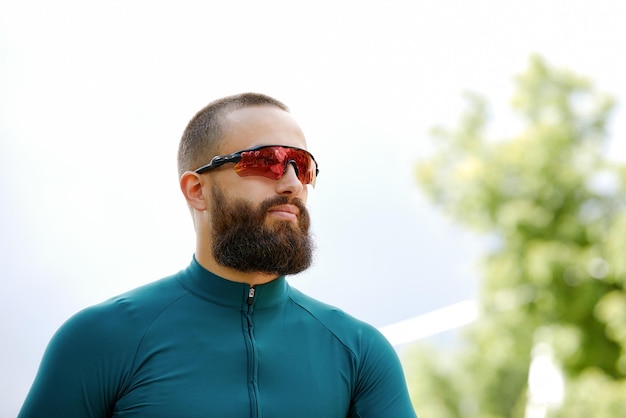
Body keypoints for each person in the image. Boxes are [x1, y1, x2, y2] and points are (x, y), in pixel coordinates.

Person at [19, 93, 418, 418]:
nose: (293, 183)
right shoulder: (99, 340)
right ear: (197, 190)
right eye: (267, 161)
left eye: (302, 166)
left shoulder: (360, 352)